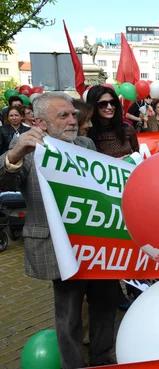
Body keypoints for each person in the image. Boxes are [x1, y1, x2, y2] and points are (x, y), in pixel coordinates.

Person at [0, 92, 118, 368]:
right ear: (41, 122)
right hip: (59, 246)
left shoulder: (86, 143)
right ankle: (73, 364)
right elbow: (5, 183)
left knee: (105, 305)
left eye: (73, 114)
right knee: (69, 315)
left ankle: (103, 359)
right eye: (62, 115)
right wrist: (15, 153)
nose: (72, 120)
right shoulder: (27, 147)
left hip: (97, 241)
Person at [87, 85, 139, 158]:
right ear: (94, 106)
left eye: (112, 102)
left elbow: (137, 155)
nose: (110, 107)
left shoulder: (127, 129)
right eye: (103, 104)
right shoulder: (86, 131)